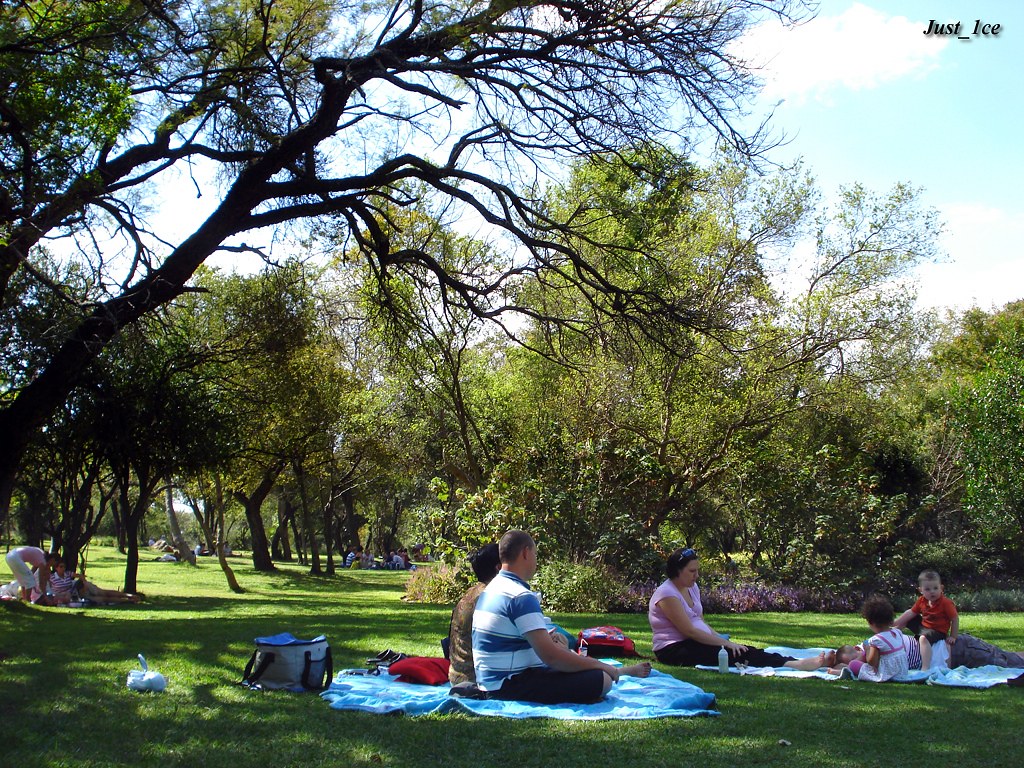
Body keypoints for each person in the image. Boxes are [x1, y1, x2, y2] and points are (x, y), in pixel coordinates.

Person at [472, 530, 651, 703]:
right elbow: (552, 658)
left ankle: (613, 670)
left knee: (577, 662)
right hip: (507, 685)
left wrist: (550, 642)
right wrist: (600, 665)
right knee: (602, 679)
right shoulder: (520, 596)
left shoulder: (491, 590)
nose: (536, 560)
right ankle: (613, 671)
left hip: (491, 681)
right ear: (526, 553)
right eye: (535, 554)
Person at [648, 547, 828, 670]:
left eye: (697, 570)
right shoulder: (667, 594)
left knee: (740, 649)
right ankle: (794, 665)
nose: (697, 575)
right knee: (732, 653)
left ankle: (791, 662)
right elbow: (690, 631)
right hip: (673, 649)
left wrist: (718, 637)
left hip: (693, 642)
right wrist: (725, 643)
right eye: (692, 571)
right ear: (677, 571)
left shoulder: (691, 587)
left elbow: (699, 621)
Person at [448, 543, 502, 686]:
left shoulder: (473, 592)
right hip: (476, 681)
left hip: (456, 676)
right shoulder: (492, 597)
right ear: (499, 568)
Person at [893, 569, 959, 671]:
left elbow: (955, 619)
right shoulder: (922, 600)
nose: (932, 591)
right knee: (910, 617)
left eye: (935, 588)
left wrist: (953, 636)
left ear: (941, 588)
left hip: (938, 631)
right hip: (924, 627)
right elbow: (911, 612)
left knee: (923, 639)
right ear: (921, 590)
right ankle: (892, 635)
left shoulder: (946, 603)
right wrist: (894, 623)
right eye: (927, 589)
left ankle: (925, 667)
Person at [840, 595, 910, 682]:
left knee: (853, 664)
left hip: (886, 674)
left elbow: (872, 662)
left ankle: (843, 672)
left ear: (871, 622)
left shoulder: (876, 640)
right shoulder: (897, 632)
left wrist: (867, 648)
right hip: (902, 672)